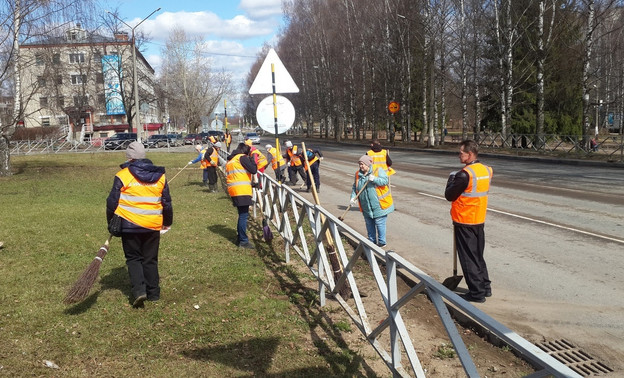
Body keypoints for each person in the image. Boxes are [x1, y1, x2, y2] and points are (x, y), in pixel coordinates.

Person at [106, 142, 173, 307]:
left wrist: (111, 223)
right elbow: (167, 203)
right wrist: (167, 222)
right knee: (150, 259)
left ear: (129, 158)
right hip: (152, 225)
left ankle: (139, 291)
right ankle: (154, 293)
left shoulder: (123, 175)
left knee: (133, 258)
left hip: (130, 225)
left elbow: (111, 202)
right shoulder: (161, 177)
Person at [444, 139, 493, 303]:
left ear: (470, 154)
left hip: (465, 220)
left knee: (468, 258)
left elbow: (449, 195)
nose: (459, 155)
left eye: (461, 153)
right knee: (478, 255)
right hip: (479, 218)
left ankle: (477, 293)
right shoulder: (486, 170)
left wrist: (451, 180)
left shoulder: (464, 174)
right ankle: (485, 287)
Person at [350, 155, 394, 248]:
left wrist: (375, 179)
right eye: (359, 164)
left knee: (379, 222)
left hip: (379, 204)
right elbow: (355, 187)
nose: (361, 166)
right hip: (366, 205)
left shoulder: (377, 171)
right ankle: (371, 240)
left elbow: (385, 181)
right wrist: (353, 198)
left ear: (368, 164)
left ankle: (382, 242)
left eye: (362, 164)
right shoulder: (358, 174)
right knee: (369, 222)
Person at [226, 143, 257, 249]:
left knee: (241, 215)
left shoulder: (231, 160)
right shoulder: (242, 158)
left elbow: (238, 175)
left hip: (234, 190)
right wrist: (253, 160)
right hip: (242, 191)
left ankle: (240, 237)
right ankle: (243, 241)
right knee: (243, 216)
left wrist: (251, 184)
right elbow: (253, 170)